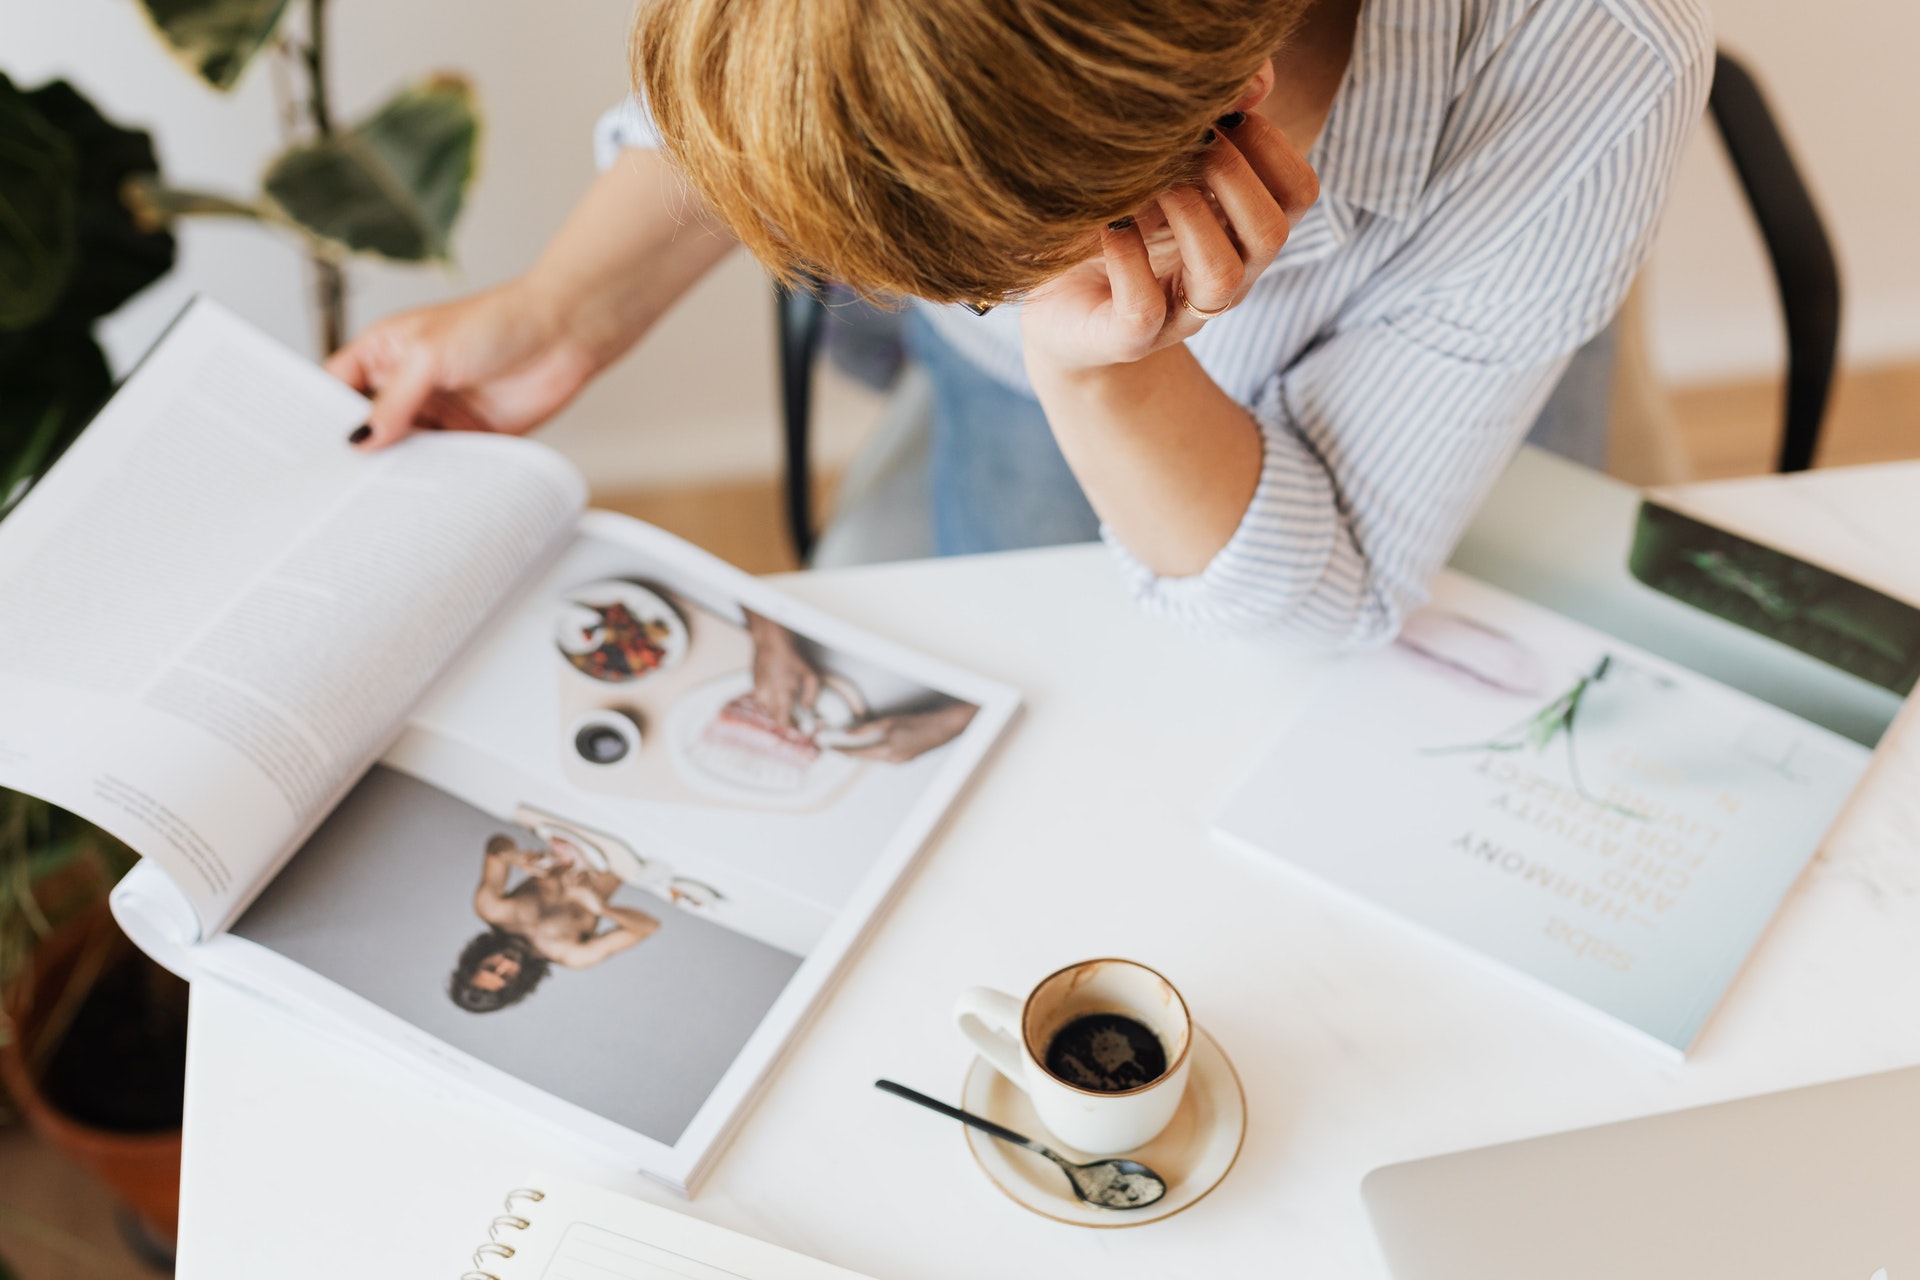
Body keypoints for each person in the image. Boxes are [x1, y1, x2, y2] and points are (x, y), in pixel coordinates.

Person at [330, 0, 1711, 650]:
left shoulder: (1584, 65)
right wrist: (562, 308)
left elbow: (1334, 607)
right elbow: (823, 81)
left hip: (1449, 366)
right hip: (1021, 385)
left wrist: (1105, 382)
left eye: (980, 269)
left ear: (1237, 102)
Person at [450, 834, 662, 1012]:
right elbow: (647, 927)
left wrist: (513, 857)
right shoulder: (571, 954)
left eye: (491, 966)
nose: (506, 962)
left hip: (575, 830)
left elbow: (497, 845)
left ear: (476, 959)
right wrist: (601, 908)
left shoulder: (492, 909)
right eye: (506, 975)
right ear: (518, 983)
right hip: (621, 851)